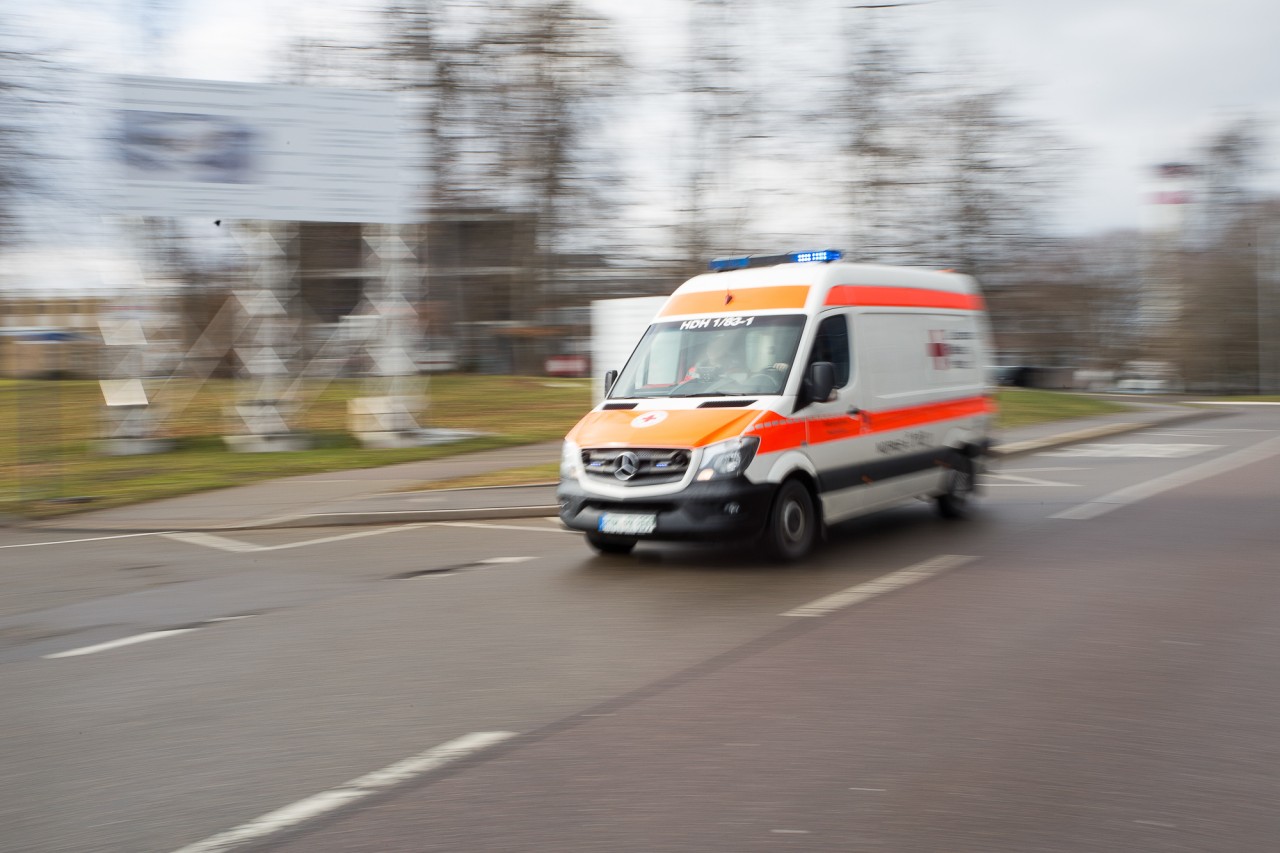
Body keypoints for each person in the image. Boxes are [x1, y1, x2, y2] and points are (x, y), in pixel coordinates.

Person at [680, 332, 747, 384]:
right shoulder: (694, 369)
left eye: (718, 347)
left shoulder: (736, 369)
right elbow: (685, 386)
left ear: (725, 350)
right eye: (711, 346)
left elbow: (737, 389)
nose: (712, 350)